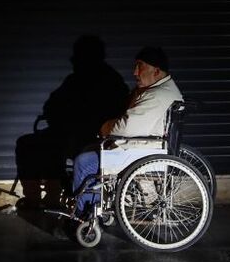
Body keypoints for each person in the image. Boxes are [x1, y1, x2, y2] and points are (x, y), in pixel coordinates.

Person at [14, 35, 128, 210]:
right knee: (26, 143)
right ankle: (33, 197)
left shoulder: (110, 81)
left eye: (77, 56)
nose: (73, 60)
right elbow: (51, 104)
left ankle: (53, 197)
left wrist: (71, 117)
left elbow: (112, 115)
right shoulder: (75, 79)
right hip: (68, 131)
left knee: (53, 146)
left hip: (93, 138)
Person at [71, 46, 183, 214]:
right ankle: (93, 205)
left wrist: (105, 127)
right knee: (88, 150)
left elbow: (125, 127)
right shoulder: (157, 90)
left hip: (139, 152)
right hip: (142, 146)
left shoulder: (157, 95)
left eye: (140, 66)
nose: (135, 72)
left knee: (83, 162)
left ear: (156, 71)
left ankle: (83, 215)